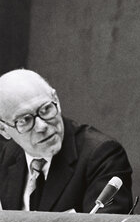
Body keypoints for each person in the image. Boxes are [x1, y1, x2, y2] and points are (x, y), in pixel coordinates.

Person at [0, 69, 133, 213]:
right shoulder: (4, 156)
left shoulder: (102, 155)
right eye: (25, 120)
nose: (42, 126)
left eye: (46, 109)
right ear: (3, 129)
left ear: (56, 99)